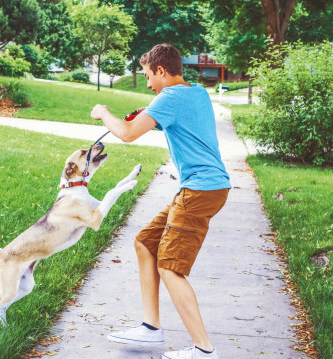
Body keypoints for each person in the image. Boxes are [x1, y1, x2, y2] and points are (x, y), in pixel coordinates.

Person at [90, 43, 230, 359]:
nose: (149, 83)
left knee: (169, 265)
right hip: (206, 188)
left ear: (162, 71)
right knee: (145, 243)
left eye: (149, 76)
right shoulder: (195, 93)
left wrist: (103, 114)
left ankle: (204, 351)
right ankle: (150, 328)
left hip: (200, 191)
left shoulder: (168, 98)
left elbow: (126, 134)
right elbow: (177, 118)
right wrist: (151, 111)